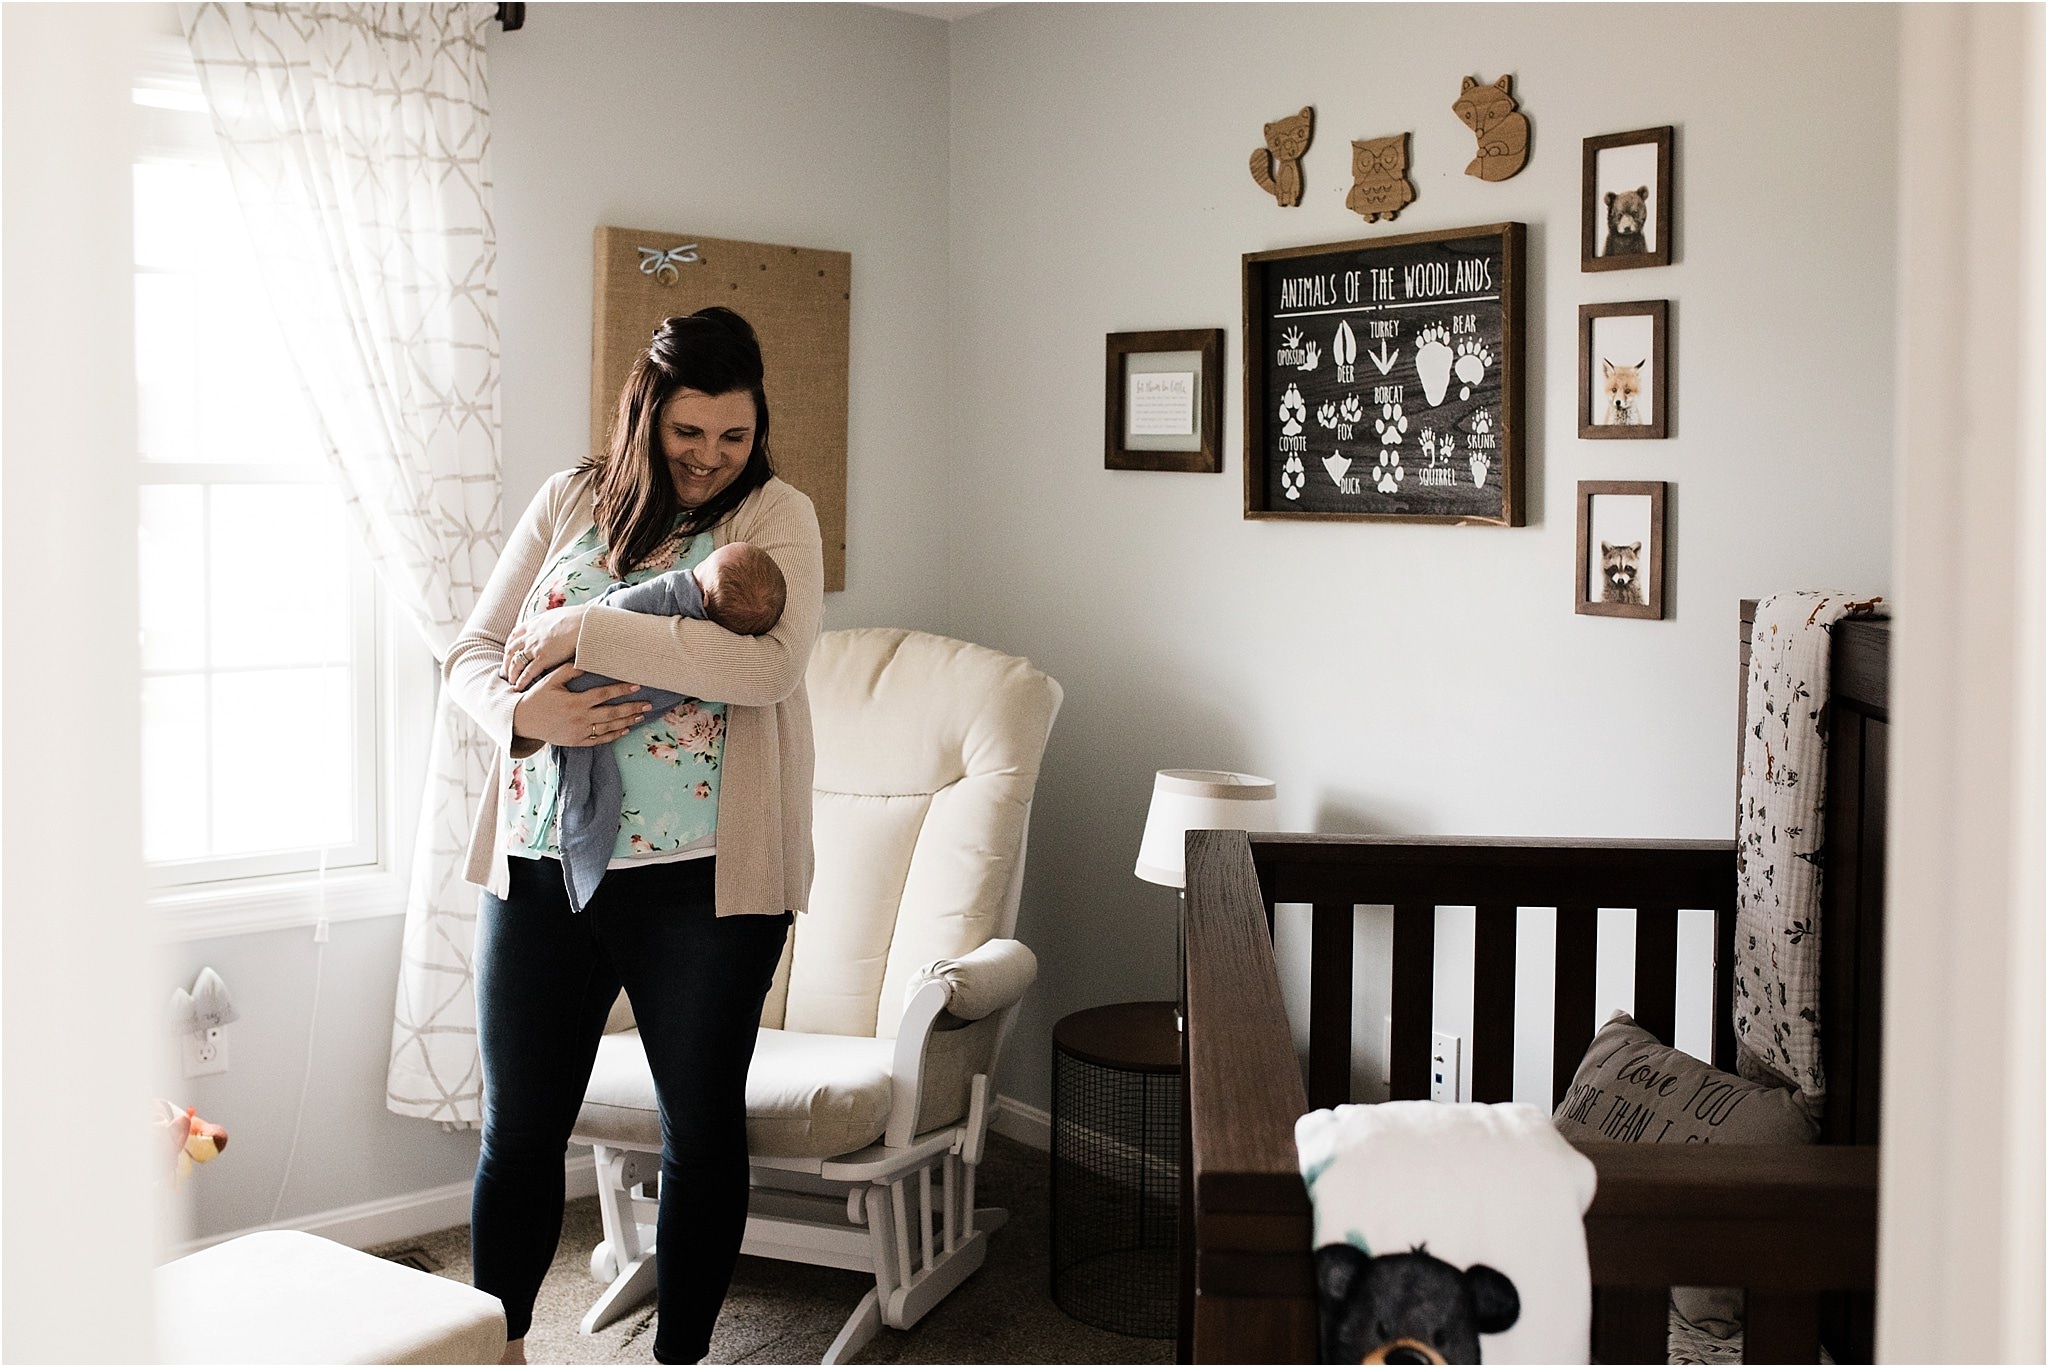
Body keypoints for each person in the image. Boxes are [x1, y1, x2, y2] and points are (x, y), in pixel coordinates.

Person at [443, 307, 823, 1365]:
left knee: (699, 1132)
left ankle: (681, 1355)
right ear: (645, 417)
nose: (708, 459)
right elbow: (471, 651)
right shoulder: (570, 495)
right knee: (517, 1129)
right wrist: (527, 713)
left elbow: (769, 667)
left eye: (732, 436)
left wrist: (581, 629)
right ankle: (499, 1344)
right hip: (541, 862)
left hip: (703, 884)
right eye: (686, 433)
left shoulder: (779, 512)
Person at [550, 541, 787, 914]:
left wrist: (585, 622)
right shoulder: (718, 634)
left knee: (591, 759)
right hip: (534, 848)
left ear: (705, 595)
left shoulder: (675, 592)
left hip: (583, 679)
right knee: (595, 776)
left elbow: (616, 611)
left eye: (707, 563)